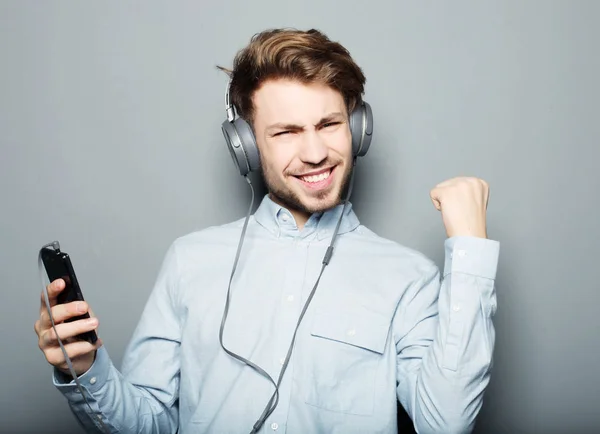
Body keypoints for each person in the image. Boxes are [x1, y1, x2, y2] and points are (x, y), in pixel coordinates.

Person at [34, 28, 500, 434]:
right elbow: (147, 421)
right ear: (246, 146)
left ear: (358, 129)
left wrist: (470, 251)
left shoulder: (409, 278)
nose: (316, 152)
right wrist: (85, 368)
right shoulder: (189, 261)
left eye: (329, 124)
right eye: (286, 132)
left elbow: (446, 423)